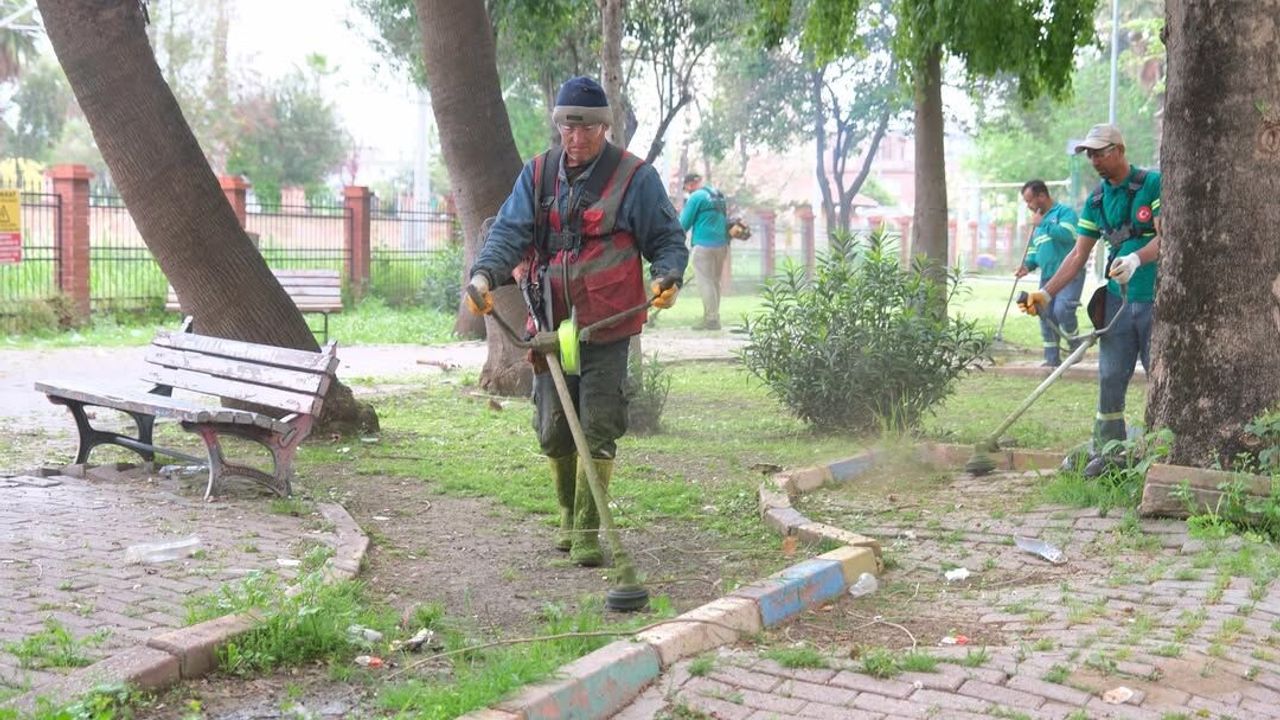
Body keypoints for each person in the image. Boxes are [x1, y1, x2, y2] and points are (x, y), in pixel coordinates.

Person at [464, 76, 689, 567]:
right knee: (551, 430)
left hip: (606, 325)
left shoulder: (635, 179)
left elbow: (668, 241)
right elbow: (508, 233)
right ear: (559, 126)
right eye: (569, 126)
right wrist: (484, 275)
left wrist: (668, 275)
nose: (577, 137)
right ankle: (567, 512)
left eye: (588, 128)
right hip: (547, 324)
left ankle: (588, 529)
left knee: (598, 424)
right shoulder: (538, 175)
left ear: (605, 127)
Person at [1020, 124, 1162, 478]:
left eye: (1101, 152)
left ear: (1120, 149)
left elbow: (1167, 237)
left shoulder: (1151, 184)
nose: (1095, 160)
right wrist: (1046, 292)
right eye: (1091, 154)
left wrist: (1135, 259)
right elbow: (1077, 256)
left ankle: (1159, 453)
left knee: (1160, 379)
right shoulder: (1096, 201)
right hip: (1116, 303)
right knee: (1110, 376)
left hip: (1156, 300)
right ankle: (1109, 450)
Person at [1015, 179, 1084, 367]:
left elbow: (1068, 235)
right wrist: (1027, 267)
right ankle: (1051, 358)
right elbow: (1034, 252)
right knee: (1044, 314)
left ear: (1042, 196)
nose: (1028, 206)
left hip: (1070, 274)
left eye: (1030, 201)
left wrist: (1043, 222)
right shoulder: (1037, 226)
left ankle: (1075, 345)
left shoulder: (1064, 213)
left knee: (1063, 310)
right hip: (1047, 276)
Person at [679, 172, 729, 330]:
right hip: (722, 245)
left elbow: (683, 224)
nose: (687, 191)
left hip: (703, 245)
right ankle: (713, 316)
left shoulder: (696, 197)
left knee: (705, 282)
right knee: (714, 282)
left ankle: (711, 319)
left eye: (686, 187)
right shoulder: (719, 196)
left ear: (691, 184)